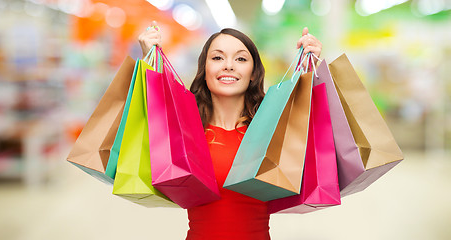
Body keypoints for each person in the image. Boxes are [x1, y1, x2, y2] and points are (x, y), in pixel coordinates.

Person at [138, 21, 322, 240]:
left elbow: (316, 147)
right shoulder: (187, 131)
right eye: (217, 57)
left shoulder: (271, 132)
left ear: (253, 73)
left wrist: (310, 75)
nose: (229, 65)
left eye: (241, 59)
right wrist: (150, 58)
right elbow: (150, 120)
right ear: (204, 71)